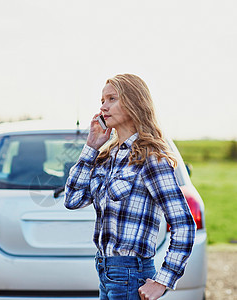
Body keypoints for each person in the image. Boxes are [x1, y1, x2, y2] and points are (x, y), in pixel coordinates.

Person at [64, 74, 196, 300]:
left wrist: (163, 281)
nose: (103, 107)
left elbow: (184, 225)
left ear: (134, 103)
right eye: (102, 100)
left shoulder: (151, 158)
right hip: (106, 272)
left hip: (131, 274)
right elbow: (72, 199)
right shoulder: (107, 156)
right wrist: (91, 147)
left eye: (111, 99)